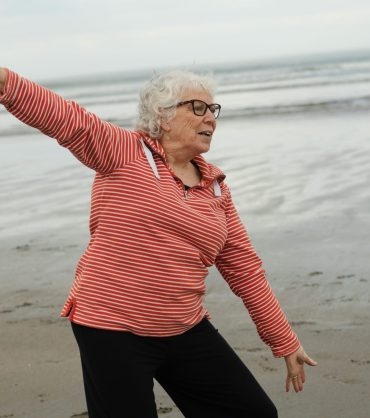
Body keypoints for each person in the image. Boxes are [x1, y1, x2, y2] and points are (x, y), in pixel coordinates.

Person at [0, 67, 317, 418]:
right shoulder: (124, 153)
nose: (210, 117)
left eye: (214, 110)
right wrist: (5, 82)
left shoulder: (216, 187)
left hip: (183, 325)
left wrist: (284, 340)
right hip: (112, 327)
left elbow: (245, 269)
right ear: (162, 115)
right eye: (198, 107)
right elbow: (70, 120)